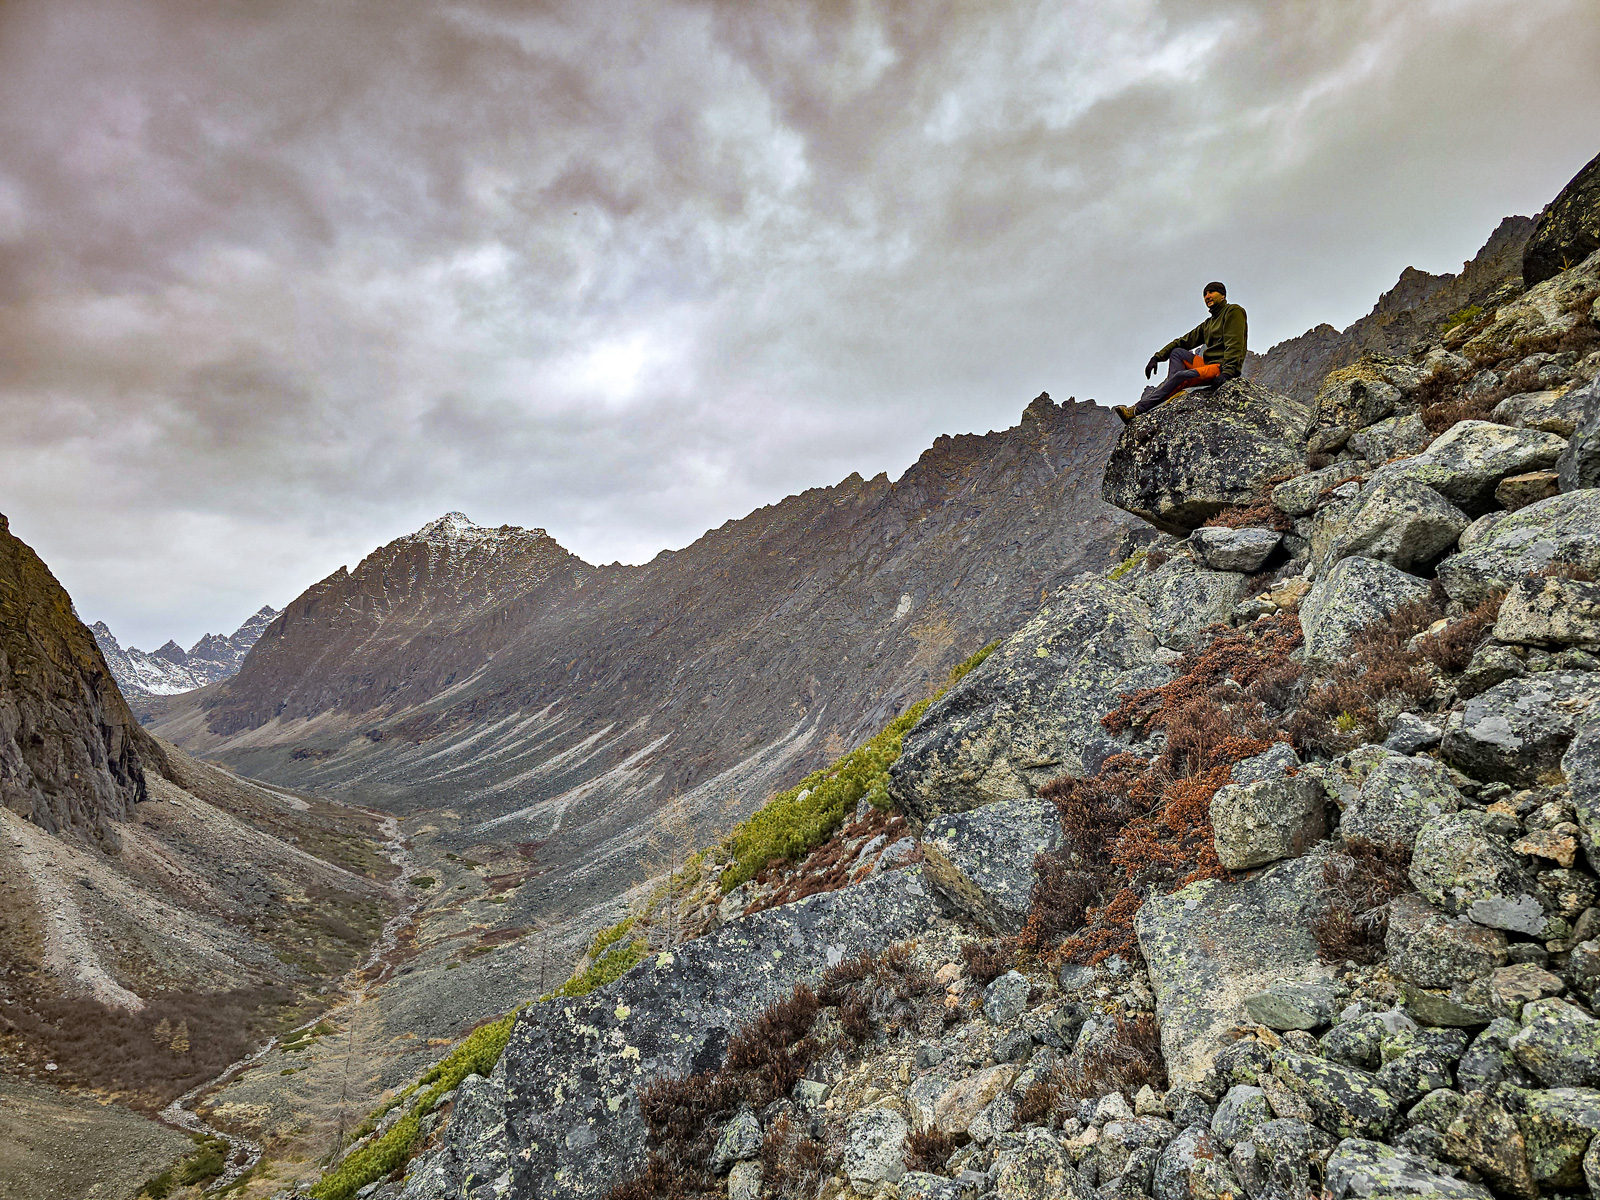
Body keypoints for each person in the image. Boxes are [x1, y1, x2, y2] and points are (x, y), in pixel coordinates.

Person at [1114, 282, 1247, 424]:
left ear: (1223, 295)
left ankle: (1135, 411)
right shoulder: (1208, 323)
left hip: (1221, 367)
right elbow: (1183, 341)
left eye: (1211, 292)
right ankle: (1175, 393)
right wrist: (1157, 357)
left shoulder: (1233, 311)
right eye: (1205, 294)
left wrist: (1228, 371)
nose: (1207, 296)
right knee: (1177, 352)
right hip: (1207, 364)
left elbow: (1235, 342)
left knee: (1182, 376)